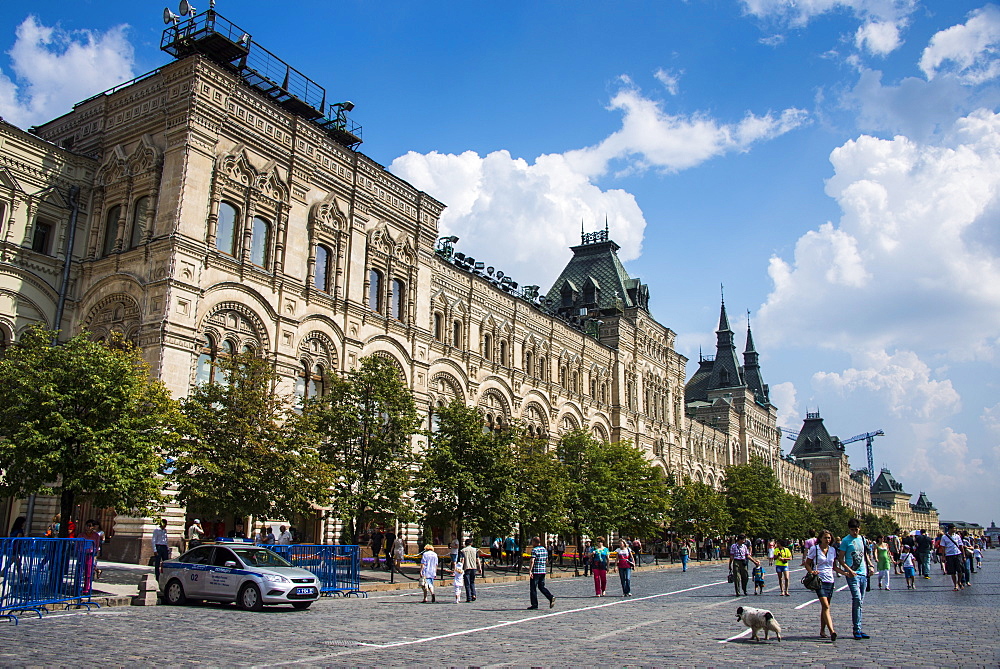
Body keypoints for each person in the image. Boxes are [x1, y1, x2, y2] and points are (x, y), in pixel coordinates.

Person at [836, 518, 873, 640]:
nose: (854, 532)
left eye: (856, 530)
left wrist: (871, 565)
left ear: (859, 529)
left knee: (860, 602)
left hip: (863, 573)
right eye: (852, 530)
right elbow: (841, 559)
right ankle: (856, 629)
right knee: (856, 599)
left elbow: (865, 554)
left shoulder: (862, 539)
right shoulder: (846, 541)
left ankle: (859, 627)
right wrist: (848, 570)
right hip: (852, 575)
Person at [805, 529, 843, 642]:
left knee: (825, 607)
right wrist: (812, 572)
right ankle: (832, 631)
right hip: (819, 580)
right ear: (820, 538)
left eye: (829, 538)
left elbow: (834, 567)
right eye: (825, 538)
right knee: (826, 606)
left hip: (830, 580)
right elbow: (807, 563)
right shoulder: (814, 549)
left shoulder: (832, 550)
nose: (827, 540)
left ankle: (822, 630)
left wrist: (845, 573)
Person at [527, 536, 554, 610]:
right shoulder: (544, 549)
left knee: (533, 588)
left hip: (536, 571)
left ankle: (534, 604)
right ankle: (550, 597)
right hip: (543, 571)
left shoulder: (534, 550)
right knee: (541, 586)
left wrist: (530, 570)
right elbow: (546, 560)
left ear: (535, 542)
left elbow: (532, 560)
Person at [940, 524, 965, 590]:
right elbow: (943, 547)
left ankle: (959, 582)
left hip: (957, 553)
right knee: (952, 571)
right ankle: (955, 585)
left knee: (960, 570)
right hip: (949, 555)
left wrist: (963, 555)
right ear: (950, 529)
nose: (955, 530)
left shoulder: (957, 536)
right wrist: (943, 556)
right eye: (954, 528)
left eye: (955, 528)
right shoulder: (944, 537)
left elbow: (961, 546)